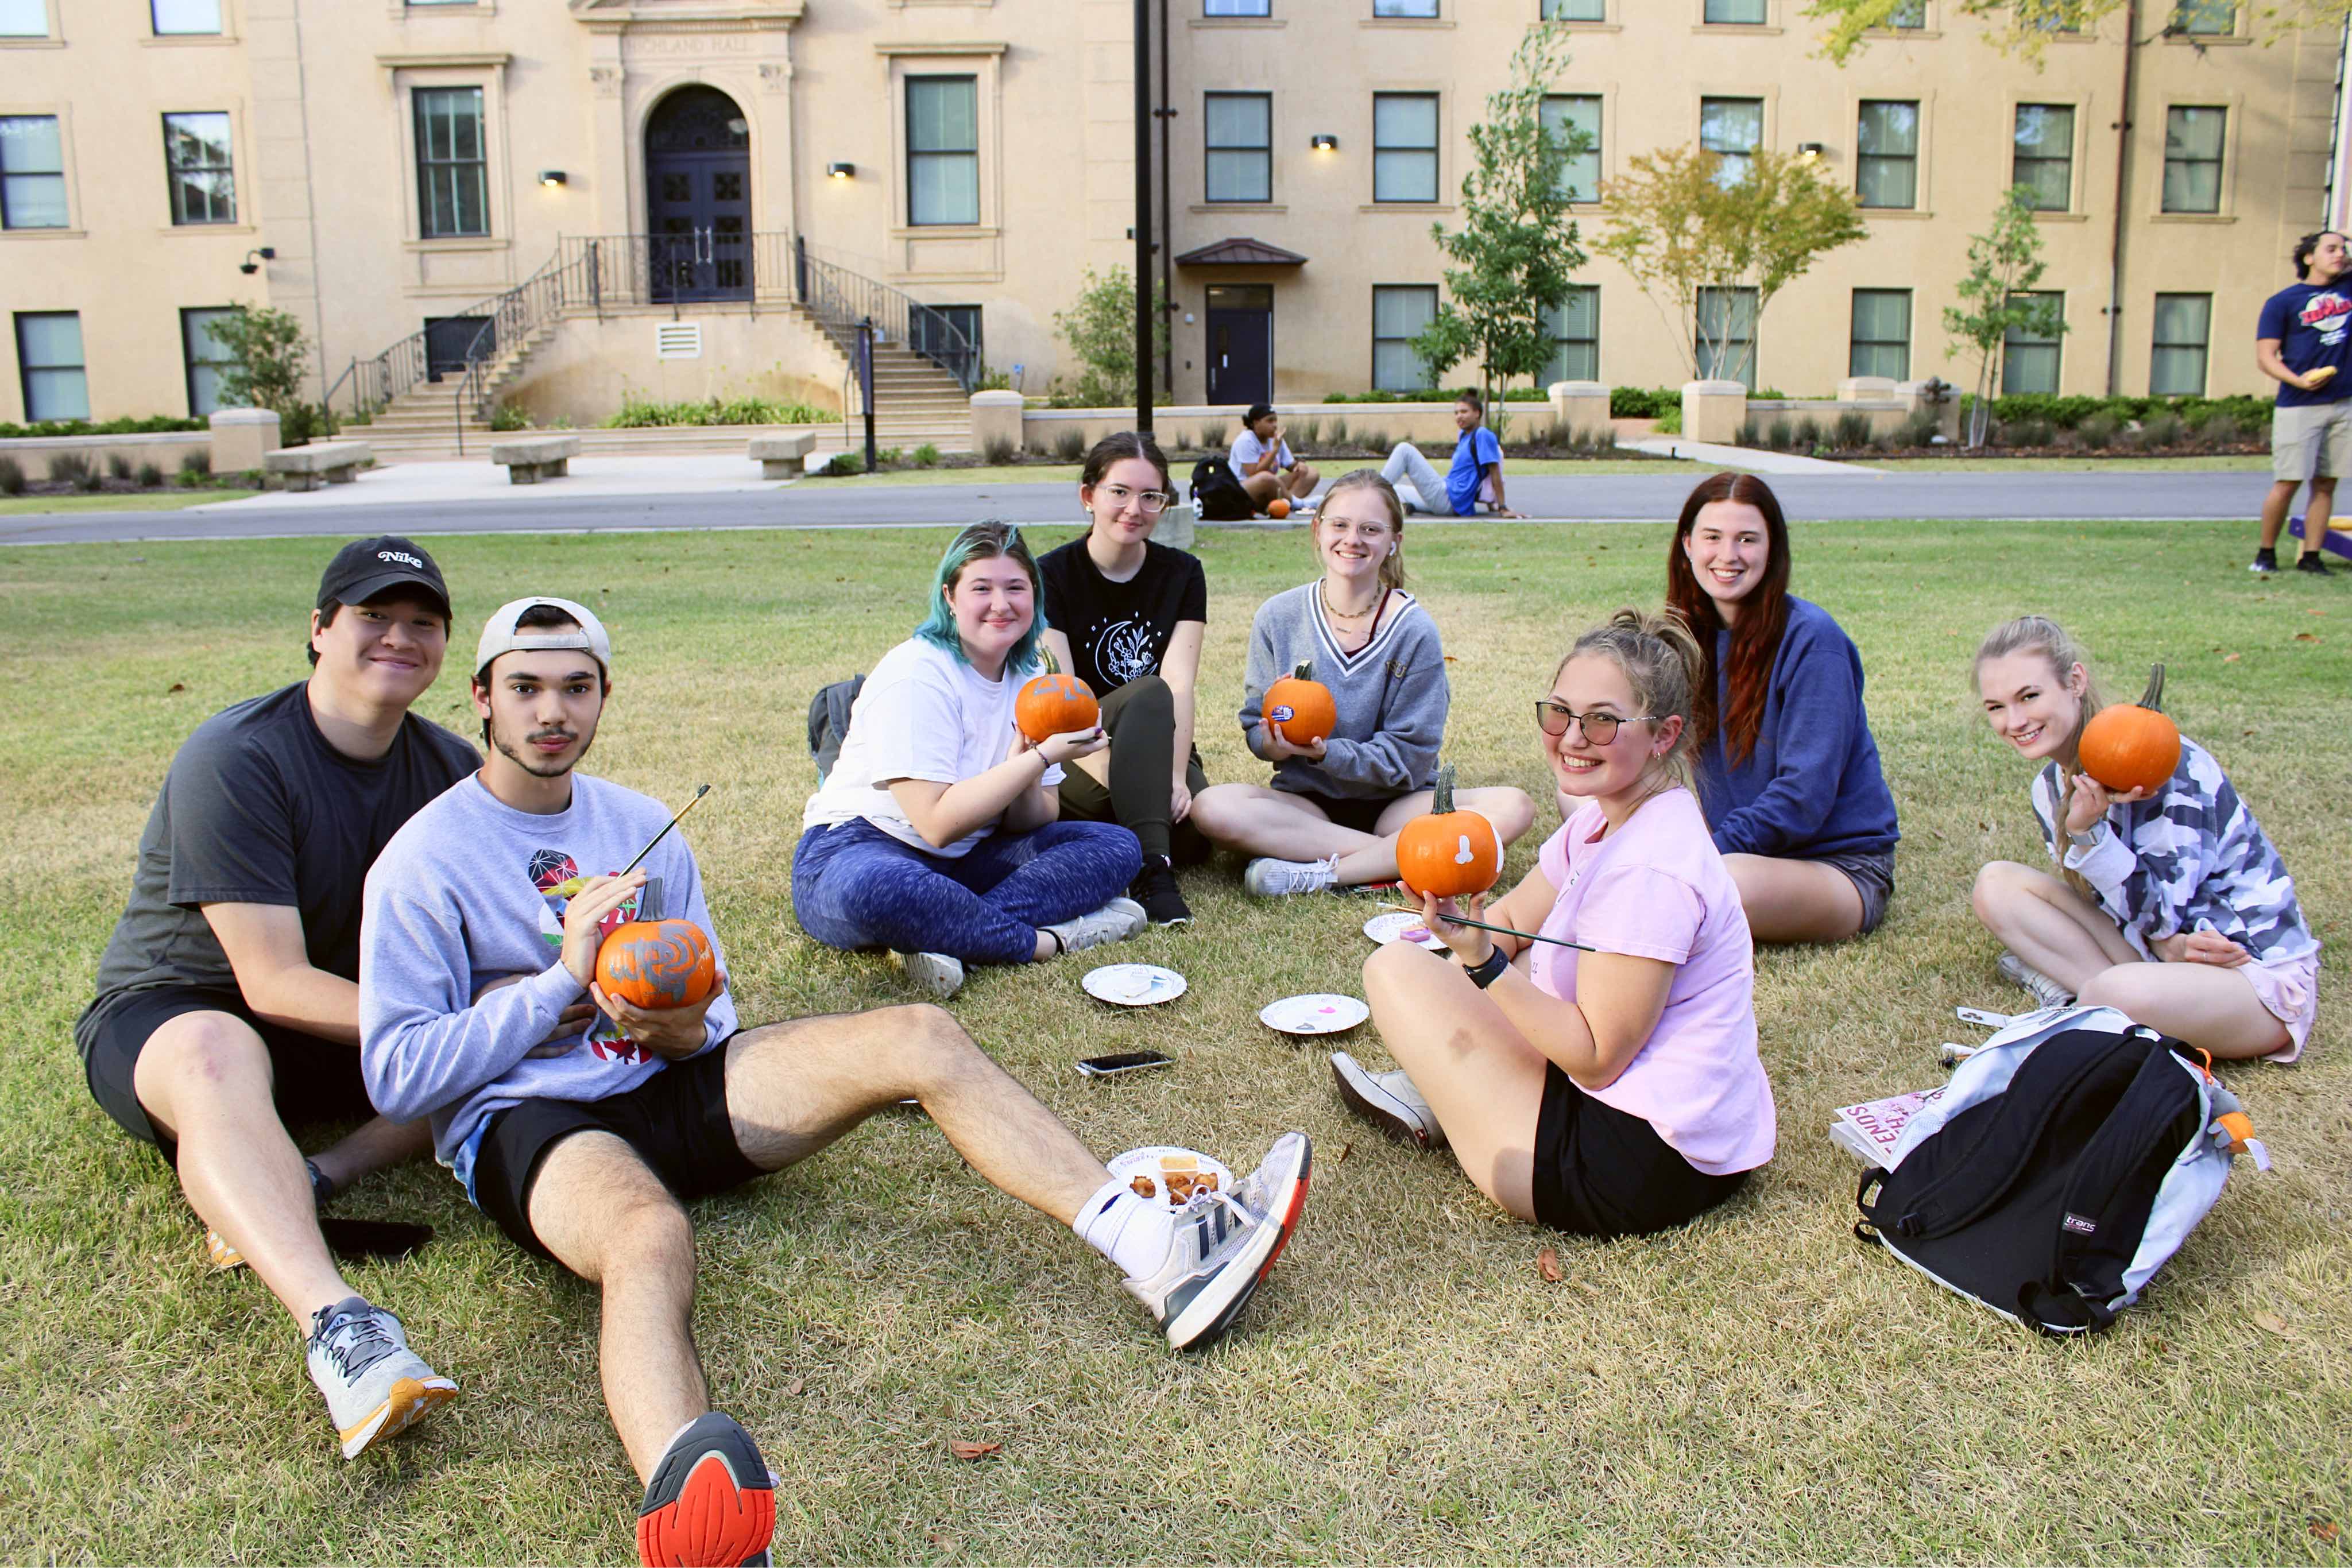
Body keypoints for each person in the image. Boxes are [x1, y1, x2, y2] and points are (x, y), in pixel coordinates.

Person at [360, 595, 1313, 1568]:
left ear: (605, 697)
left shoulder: (644, 826)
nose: (550, 711)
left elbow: (714, 1017)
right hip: (536, 1122)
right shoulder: (426, 857)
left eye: (575, 687)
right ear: (481, 699)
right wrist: (561, 983)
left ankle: (1159, 1252)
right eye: (524, 688)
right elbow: (397, 1074)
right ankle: (694, 1523)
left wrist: (684, 1026)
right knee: (649, 1237)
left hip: (673, 1084)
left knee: (920, 1032)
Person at [71, 536, 479, 1461]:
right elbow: (271, 983)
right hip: (181, 1017)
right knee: (224, 1045)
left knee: (498, 1038)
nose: (399, 638)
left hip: (337, 1025)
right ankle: (342, 1327)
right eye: (374, 616)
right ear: (320, 629)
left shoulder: (451, 768)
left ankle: (309, 1175)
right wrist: (448, 1031)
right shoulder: (238, 755)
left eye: (423, 623)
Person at [1332, 609, 1774, 1239]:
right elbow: (1512, 920)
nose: (1572, 737)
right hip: (1669, 1124)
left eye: (1602, 720)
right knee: (1432, 971)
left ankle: (1441, 1097)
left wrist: (1482, 965)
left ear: (1663, 735)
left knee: (1393, 970)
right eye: (1559, 712)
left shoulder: (1650, 873)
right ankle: (1444, 1088)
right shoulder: (1609, 816)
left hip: (1629, 1165)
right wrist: (1466, 929)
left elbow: (1594, 1057)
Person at [793, 521, 1149, 999]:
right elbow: (935, 824)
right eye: (981, 587)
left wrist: (1028, 766)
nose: (1001, 604)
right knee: (884, 891)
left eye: (1016, 588)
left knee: (1117, 847)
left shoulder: (1030, 679)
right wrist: (1038, 757)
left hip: (968, 859)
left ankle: (943, 931)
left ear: (1034, 597)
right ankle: (1046, 941)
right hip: (861, 849)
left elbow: (1036, 818)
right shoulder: (916, 674)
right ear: (950, 596)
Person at [1968, 615, 2319, 1061]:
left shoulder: (2159, 760)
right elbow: (2114, 907)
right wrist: (2158, 943)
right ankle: (2102, 1005)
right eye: (1996, 707)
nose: (2014, 721)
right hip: (2158, 956)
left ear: (2075, 681)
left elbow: (2163, 913)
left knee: (2115, 991)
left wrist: (2087, 834)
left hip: (2247, 975)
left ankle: (2092, 1005)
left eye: (2030, 696)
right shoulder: (2050, 786)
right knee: (1995, 884)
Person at [1192, 470, 1535, 894]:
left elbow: (1411, 757)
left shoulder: (1414, 630)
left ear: (1394, 540)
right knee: (1211, 807)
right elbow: (1254, 728)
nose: (1352, 539)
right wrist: (1272, 742)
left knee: (1515, 806)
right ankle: (1401, 858)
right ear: (1317, 530)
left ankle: (1324, 874)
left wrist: (1326, 753)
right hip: (1306, 808)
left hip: (1397, 805)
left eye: (1371, 529)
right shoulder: (1278, 617)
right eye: (1339, 524)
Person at [1665, 473, 1901, 943]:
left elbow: (1803, 796)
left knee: (1724, 884)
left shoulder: (1814, 640)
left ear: (1772, 548)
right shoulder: (1683, 636)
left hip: (1832, 865)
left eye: (1747, 539)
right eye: (1713, 537)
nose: (1728, 555)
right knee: (1587, 800)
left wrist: (1697, 854)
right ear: (1688, 545)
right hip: (1731, 849)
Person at [1038, 434, 1219, 926]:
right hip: (1078, 747)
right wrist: (1113, 767)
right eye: (1119, 492)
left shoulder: (1183, 573)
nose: (1133, 508)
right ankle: (1152, 872)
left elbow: (1182, 683)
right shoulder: (1050, 575)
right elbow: (1065, 696)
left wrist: (1177, 778)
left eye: (1150, 496)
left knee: (1196, 834)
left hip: (1159, 746)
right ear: (1088, 496)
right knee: (1147, 690)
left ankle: (1121, 837)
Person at [2252, 229, 2351, 575]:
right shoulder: (2284, 302)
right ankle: (2265, 553)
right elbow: (2266, 356)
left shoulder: (2348, 289)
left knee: (2327, 482)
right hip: (2299, 403)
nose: (2339, 254)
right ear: (2309, 257)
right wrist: (2298, 381)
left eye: (2343, 249)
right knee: (2289, 481)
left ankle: (2311, 557)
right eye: (2330, 249)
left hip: (2344, 403)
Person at [1378, 389, 1521, 519]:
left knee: (1405, 450)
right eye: (1456, 413)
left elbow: (1494, 471)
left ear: (1477, 413)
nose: (1459, 416)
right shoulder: (1464, 436)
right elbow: (1477, 475)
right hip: (1445, 492)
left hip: (1451, 499)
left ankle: (1368, 496)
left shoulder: (1483, 435)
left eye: (1464, 412)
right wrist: (1491, 504)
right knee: (1395, 489)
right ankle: (1405, 506)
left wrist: (1502, 508)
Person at [1229, 402, 1320, 513]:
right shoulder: (1246, 440)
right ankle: (1299, 504)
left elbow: (1290, 465)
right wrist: (1274, 451)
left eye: (1275, 421)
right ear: (1256, 423)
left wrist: (1298, 466)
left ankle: (1284, 506)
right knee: (1266, 478)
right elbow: (1254, 474)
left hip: (1270, 486)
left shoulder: (1274, 439)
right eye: (1270, 421)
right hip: (1244, 491)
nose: (1275, 425)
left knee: (1311, 473)